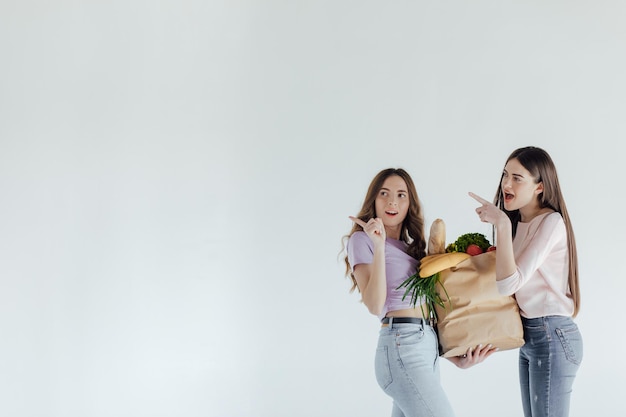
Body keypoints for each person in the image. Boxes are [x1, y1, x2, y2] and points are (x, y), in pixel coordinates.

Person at [342, 167, 496, 417]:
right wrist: (379, 246)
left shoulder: (411, 249)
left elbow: (426, 312)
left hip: (426, 348)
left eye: (401, 195)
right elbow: (374, 305)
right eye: (384, 193)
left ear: (409, 204)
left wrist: (455, 357)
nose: (392, 201)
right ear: (374, 199)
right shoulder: (362, 241)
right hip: (402, 346)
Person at [469, 146, 583, 417]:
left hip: (552, 334)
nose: (507, 184)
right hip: (530, 335)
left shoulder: (552, 222)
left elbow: (509, 284)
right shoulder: (518, 222)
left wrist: (502, 226)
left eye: (517, 178)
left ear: (539, 187)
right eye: (505, 175)